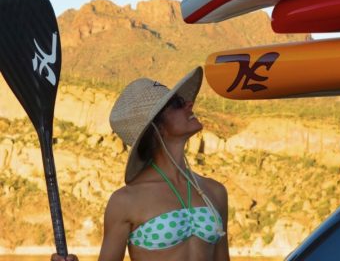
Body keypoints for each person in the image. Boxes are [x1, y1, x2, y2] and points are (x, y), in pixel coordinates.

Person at [52, 66, 230, 261]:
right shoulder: (126, 201)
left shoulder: (215, 191)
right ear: (157, 126)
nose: (189, 104)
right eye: (177, 104)